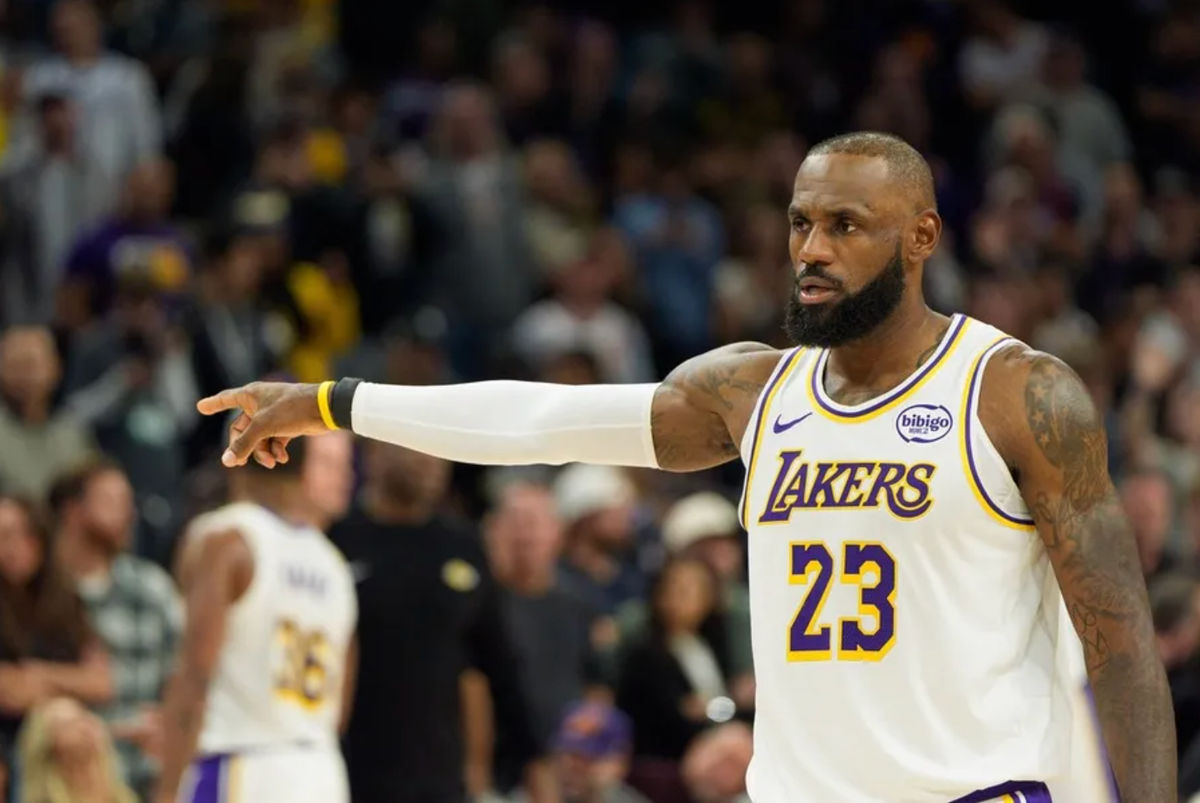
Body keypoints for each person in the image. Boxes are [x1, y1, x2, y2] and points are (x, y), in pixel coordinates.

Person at [196, 131, 1173, 800]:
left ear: (921, 237)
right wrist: (336, 401)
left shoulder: (1015, 392)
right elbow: (543, 419)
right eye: (800, 222)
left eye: (846, 226)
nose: (811, 250)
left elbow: (1121, 639)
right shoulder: (752, 393)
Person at [328, 441, 545, 803]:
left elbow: (501, 668)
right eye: (415, 446)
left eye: (437, 448)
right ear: (376, 453)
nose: (430, 462)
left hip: (438, 778)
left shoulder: (463, 546)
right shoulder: (337, 538)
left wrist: (536, 763)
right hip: (346, 772)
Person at [152, 438, 357, 803]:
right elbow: (341, 705)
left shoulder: (227, 537)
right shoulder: (335, 565)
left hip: (243, 764)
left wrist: (167, 788)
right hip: (321, 769)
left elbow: (195, 673)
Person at [50, 460, 182, 799]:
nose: (127, 515)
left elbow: (190, 674)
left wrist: (172, 719)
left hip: (144, 774)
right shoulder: (40, 593)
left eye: (128, 504)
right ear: (73, 511)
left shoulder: (152, 589)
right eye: (111, 502)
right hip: (59, 777)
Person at [0, 494, 112, 748]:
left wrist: (39, 674)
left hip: (62, 741)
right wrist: (66, 686)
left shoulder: (65, 601)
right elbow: (8, 692)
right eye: (5, 536)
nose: (15, 547)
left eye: (26, 535)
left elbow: (101, 682)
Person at [616, 556, 742, 762]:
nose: (677, 598)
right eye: (674, 589)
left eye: (691, 590)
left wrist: (718, 707)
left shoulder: (710, 643)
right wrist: (723, 706)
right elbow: (674, 716)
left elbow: (713, 705)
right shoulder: (646, 653)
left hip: (715, 750)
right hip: (666, 762)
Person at [0, 325, 95, 503]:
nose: (23, 376)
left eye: (30, 365)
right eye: (14, 365)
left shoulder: (71, 433)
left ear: (55, 369)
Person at [16, 696, 136, 803]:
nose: (84, 726)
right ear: (48, 745)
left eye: (83, 715)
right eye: (67, 724)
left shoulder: (123, 793)